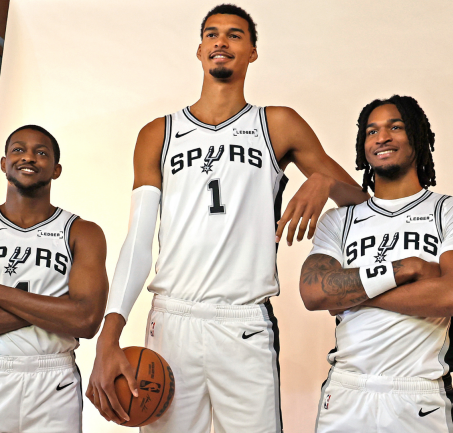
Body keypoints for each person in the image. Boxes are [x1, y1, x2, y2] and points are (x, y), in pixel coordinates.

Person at [85, 4, 368, 433]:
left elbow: (360, 204)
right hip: (173, 319)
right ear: (199, 50)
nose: (222, 41)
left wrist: (324, 179)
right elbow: (139, 240)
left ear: (253, 52)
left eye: (236, 35)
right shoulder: (157, 134)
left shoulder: (276, 124)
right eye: (212, 34)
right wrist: (110, 333)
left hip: (243, 322)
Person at [299, 95, 453, 433]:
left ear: (417, 136)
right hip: (345, 393)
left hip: (418, 395)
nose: (381, 137)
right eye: (371, 131)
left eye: (395, 127)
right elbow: (314, 292)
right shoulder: (339, 221)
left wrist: (350, 292)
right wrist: (405, 269)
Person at [0, 125, 108, 433]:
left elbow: (86, 321)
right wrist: (57, 311)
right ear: (3, 163)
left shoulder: (82, 232)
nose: (29, 157)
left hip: (54, 379)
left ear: (55, 169)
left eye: (41, 152)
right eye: (18, 149)